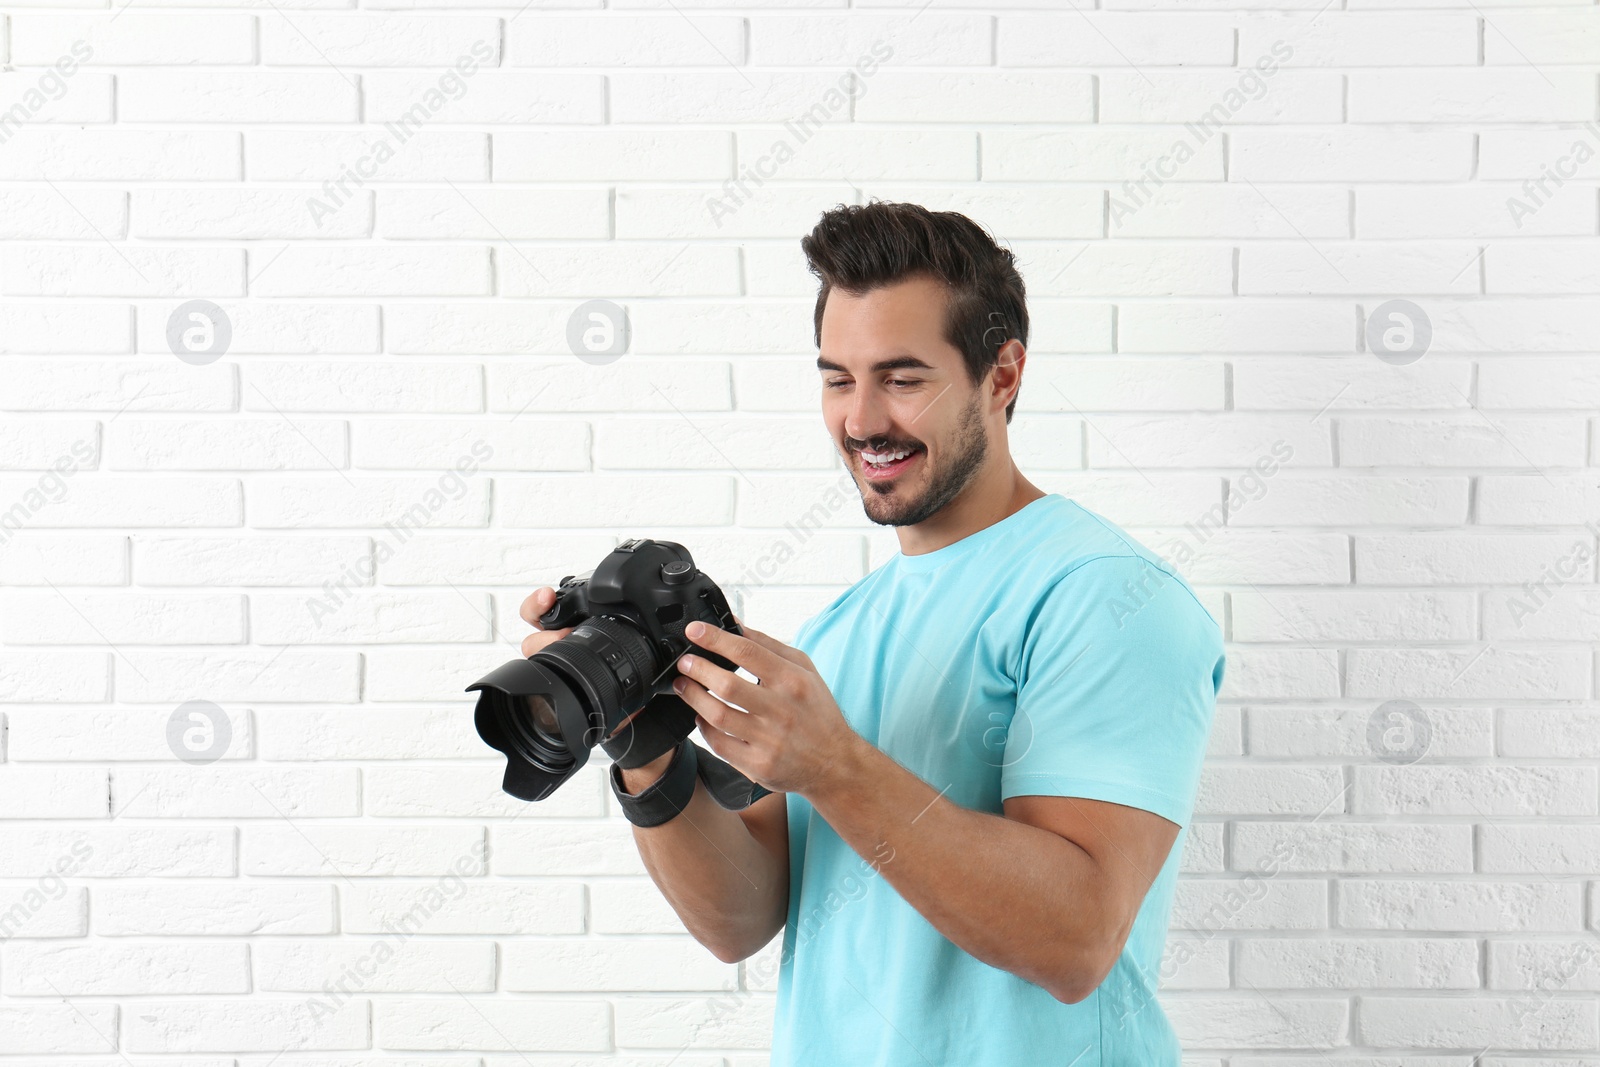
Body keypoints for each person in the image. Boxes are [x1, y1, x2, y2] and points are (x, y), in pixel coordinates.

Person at [518, 199, 1225, 1065]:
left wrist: (836, 764)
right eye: (837, 378)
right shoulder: (841, 626)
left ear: (1002, 376)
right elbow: (744, 918)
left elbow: (1075, 939)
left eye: (903, 378)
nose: (861, 420)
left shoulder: (1108, 598)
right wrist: (645, 752)